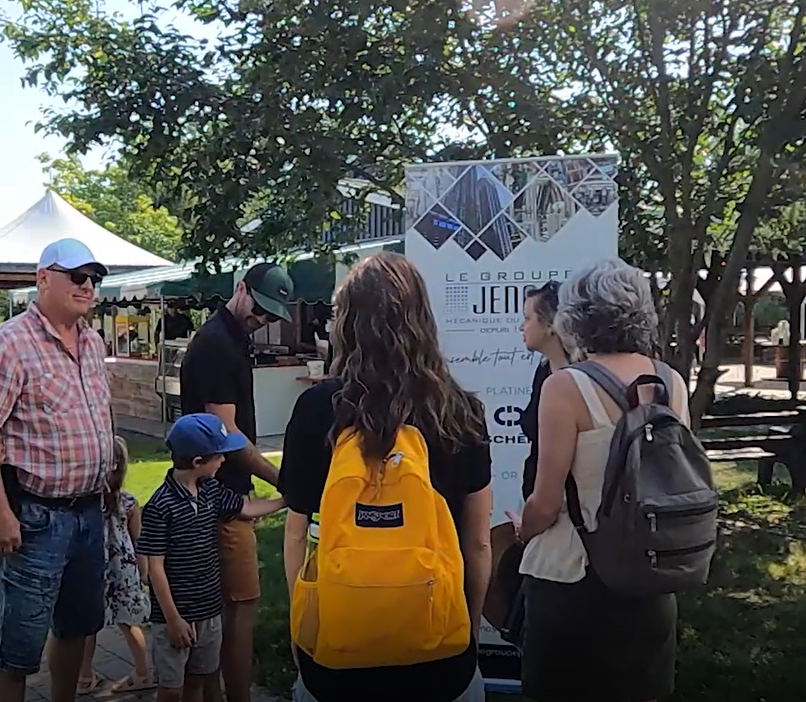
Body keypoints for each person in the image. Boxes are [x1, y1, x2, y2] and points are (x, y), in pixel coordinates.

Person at [279, 252, 493, 702]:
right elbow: (477, 543)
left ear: (348, 324)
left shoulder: (319, 410)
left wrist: (303, 634)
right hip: (440, 659)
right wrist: (468, 629)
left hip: (338, 656)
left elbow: (297, 536)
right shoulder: (461, 412)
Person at [517, 258, 688, 702]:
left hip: (573, 579)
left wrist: (523, 530)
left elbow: (547, 501)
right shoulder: (671, 382)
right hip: (651, 576)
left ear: (576, 317)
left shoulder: (566, 386)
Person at [0, 238, 117, 702]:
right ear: (42, 278)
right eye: (76, 276)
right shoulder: (9, 343)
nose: (87, 286)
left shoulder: (92, 342)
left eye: (93, 278)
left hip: (89, 513)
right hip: (36, 520)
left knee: (77, 629)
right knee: (17, 649)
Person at [177, 262, 294, 702]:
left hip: (214, 492)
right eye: (258, 309)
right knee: (240, 606)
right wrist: (283, 479)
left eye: (270, 315)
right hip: (218, 493)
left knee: (215, 609)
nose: (260, 320)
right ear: (240, 289)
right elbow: (225, 435)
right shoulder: (217, 346)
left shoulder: (228, 339)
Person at [137, 413, 286, 702]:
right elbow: (154, 567)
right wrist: (173, 620)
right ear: (198, 462)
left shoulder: (211, 491)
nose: (224, 461)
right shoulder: (160, 506)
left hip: (209, 611)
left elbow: (246, 508)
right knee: (170, 690)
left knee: (198, 681)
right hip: (175, 616)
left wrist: (287, 500)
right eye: (219, 456)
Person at [490, 281, 568, 628]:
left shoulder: (576, 382)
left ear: (551, 324)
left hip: (567, 523)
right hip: (538, 507)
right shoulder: (542, 373)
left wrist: (536, 519)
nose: (521, 326)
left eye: (527, 318)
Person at [72, 435, 156, 694]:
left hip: (91, 570)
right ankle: (144, 672)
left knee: (87, 625)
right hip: (124, 573)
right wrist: (143, 573)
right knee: (129, 621)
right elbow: (137, 540)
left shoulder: (83, 502)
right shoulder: (129, 503)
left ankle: (84, 677)